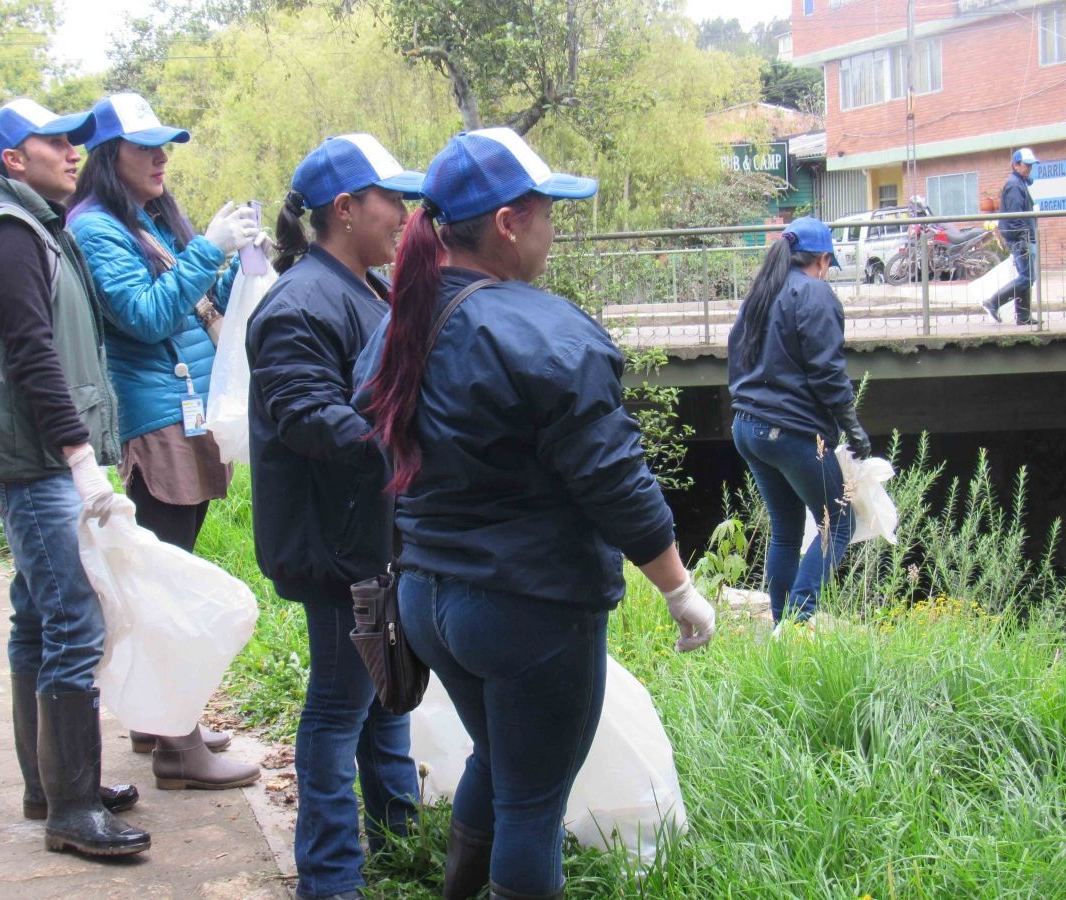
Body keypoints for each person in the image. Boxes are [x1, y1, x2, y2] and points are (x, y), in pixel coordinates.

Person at [353, 127, 716, 900]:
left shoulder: (399, 323)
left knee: (501, 761)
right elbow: (615, 478)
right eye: (548, 211)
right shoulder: (544, 330)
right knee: (533, 803)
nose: (555, 229)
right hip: (527, 611)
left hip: (428, 602)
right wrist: (680, 590)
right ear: (511, 223)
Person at [0, 98, 149, 857]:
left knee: (38, 618)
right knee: (73, 619)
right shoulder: (11, 236)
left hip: (36, 456)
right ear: (14, 159)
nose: (74, 152)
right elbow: (34, 355)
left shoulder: (37, 227)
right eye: (54, 142)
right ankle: (72, 810)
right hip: (36, 461)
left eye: (75, 143)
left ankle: (52, 784)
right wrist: (80, 461)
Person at [246, 133, 425, 900]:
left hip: (369, 538)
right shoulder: (301, 303)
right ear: (346, 209)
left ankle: (400, 843)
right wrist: (413, 440)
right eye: (394, 200)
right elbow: (309, 418)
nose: (407, 216)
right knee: (337, 708)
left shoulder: (365, 289)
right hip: (336, 545)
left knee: (387, 695)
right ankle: (329, 879)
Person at [67, 92, 260, 792]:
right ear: (107, 156)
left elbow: (192, 301)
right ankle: (178, 746)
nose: (161, 157)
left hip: (189, 414)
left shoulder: (143, 220)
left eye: (164, 144)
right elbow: (146, 318)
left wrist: (240, 260)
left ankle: (160, 720)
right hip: (155, 418)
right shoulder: (94, 229)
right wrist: (209, 247)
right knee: (166, 584)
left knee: (168, 570)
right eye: (144, 146)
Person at [727, 217, 870, 627]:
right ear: (822, 260)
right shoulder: (815, 293)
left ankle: (778, 627)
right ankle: (797, 622)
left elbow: (736, 360)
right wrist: (852, 426)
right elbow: (827, 371)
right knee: (839, 521)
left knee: (787, 530)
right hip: (789, 432)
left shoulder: (760, 293)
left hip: (747, 428)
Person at [981, 147, 1040, 326]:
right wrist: (1024, 237)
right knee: (1028, 277)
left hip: (1022, 236)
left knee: (1025, 275)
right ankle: (993, 302)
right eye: (1026, 165)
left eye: (1031, 165)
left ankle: (1023, 316)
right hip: (1021, 237)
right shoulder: (1014, 184)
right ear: (1015, 165)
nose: (1029, 168)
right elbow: (1015, 215)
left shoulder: (1019, 182)